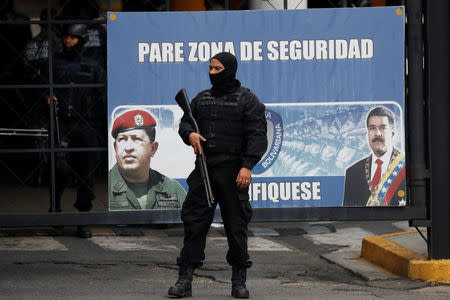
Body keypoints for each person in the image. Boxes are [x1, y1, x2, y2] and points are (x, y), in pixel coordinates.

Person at [169, 52, 267, 298]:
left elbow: (257, 135)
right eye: (210, 68)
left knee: (236, 227)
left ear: (230, 70)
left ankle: (239, 279)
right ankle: (185, 278)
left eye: (217, 69)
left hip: (234, 173)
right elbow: (185, 123)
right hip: (205, 170)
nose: (212, 73)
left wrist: (247, 166)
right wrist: (189, 134)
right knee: (195, 224)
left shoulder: (247, 100)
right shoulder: (202, 99)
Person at [51, 23, 105, 238]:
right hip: (62, 122)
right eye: (66, 37)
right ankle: (54, 210)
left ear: (81, 40)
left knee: (86, 174)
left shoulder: (93, 66)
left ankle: (83, 219)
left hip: (87, 125)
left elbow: (103, 94)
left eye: (73, 38)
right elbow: (39, 86)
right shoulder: (55, 65)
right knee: (59, 168)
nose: (68, 41)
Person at [109, 109, 186, 210]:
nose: (128, 148)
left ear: (153, 148)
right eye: (122, 139)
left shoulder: (172, 189)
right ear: (115, 147)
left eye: (136, 139)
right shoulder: (106, 188)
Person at [343, 106, 406, 207]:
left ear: (392, 133)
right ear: (368, 133)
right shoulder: (352, 172)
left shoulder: (406, 168)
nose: (377, 133)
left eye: (383, 128)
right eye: (372, 128)